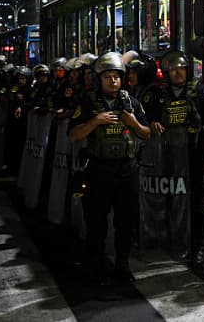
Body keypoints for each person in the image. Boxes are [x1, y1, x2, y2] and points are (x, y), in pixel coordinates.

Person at [68, 52, 151, 284]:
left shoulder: (131, 102)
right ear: (99, 79)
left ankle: (122, 264)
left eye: (117, 76)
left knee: (126, 220)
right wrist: (96, 121)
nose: (113, 81)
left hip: (127, 169)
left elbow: (147, 133)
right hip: (98, 170)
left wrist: (132, 122)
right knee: (96, 220)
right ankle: (96, 265)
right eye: (108, 77)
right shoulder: (88, 102)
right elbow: (73, 135)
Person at [141, 50, 204, 263]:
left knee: (197, 203)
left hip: (194, 158)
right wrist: (151, 122)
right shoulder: (155, 94)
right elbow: (140, 117)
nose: (177, 73)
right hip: (166, 159)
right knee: (167, 199)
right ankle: (166, 241)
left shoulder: (199, 92)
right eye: (172, 70)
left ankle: (198, 245)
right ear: (165, 72)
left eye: (181, 68)